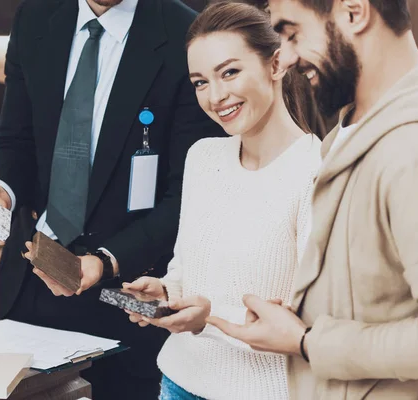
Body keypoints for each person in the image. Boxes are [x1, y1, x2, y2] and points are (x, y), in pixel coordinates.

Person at [0, 0, 225, 398]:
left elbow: (186, 194)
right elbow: (16, 141)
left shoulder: (186, 35)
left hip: (127, 300)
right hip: (28, 287)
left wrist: (105, 261)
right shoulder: (36, 17)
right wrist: (0, 189)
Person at [207, 0, 418, 399]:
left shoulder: (417, 153)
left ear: (354, 12)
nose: (286, 57)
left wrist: (306, 341)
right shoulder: (354, 129)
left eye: (292, 33)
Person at [123, 3, 322, 399]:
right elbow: (187, 269)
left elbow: (305, 325)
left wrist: (207, 318)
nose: (215, 96)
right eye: (200, 82)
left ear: (277, 63)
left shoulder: (317, 172)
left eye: (230, 72)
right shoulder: (203, 158)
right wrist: (165, 294)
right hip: (176, 382)